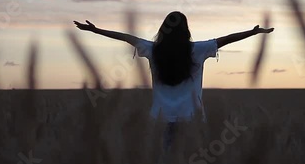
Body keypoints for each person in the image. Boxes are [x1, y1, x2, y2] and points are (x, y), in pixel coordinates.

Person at [73, 11, 274, 153]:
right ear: (186, 30)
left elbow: (127, 37)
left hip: (160, 118)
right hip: (192, 118)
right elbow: (226, 39)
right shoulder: (197, 49)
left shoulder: (153, 49)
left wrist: (95, 30)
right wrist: (253, 32)